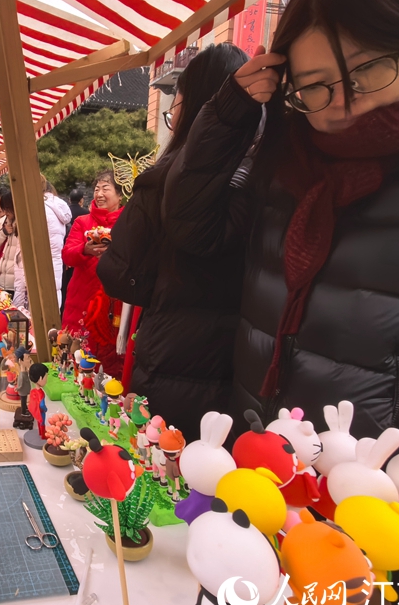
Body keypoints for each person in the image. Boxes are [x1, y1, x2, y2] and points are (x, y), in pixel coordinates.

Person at [160, 0, 399, 452]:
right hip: (262, 459)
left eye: (369, 69)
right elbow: (192, 227)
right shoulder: (286, 170)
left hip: (387, 494)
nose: (342, 104)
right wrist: (230, 113)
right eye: (314, 85)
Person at [98, 43, 249, 435]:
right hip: (240, 366)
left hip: (174, 356)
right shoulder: (264, 170)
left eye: (174, 109)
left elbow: (121, 273)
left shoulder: (167, 177)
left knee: (160, 472)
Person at [63, 171, 126, 377]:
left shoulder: (128, 223)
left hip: (113, 304)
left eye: (105, 188)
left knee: (108, 365)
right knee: (76, 358)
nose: (99, 193)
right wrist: (85, 249)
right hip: (81, 300)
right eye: (97, 188)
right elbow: (67, 255)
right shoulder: (82, 222)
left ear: (120, 195)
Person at [13, 177, 72, 310]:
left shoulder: (38, 207)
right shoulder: (53, 208)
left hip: (36, 271)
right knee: (49, 308)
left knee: (35, 316)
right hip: (51, 267)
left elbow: (30, 247)